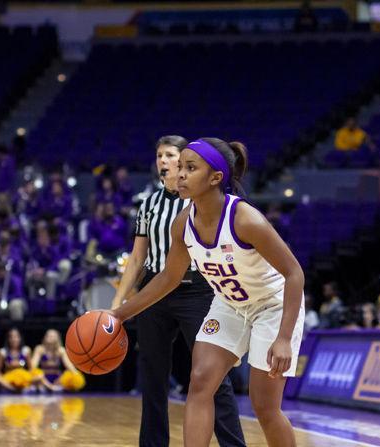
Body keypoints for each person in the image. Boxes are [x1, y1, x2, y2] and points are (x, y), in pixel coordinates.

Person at [109, 137, 305, 446]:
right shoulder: (183, 224)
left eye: (190, 167)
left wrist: (283, 338)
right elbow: (167, 278)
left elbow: (294, 274)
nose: (180, 174)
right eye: (180, 167)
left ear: (215, 178)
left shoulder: (245, 219)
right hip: (230, 304)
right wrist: (118, 314)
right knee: (200, 381)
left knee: (264, 407)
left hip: (272, 306)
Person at [110, 135, 245, 447]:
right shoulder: (149, 205)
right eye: (159, 155)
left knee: (212, 375)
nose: (162, 161)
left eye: (170, 155)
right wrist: (117, 305)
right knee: (153, 377)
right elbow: (137, 258)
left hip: (196, 290)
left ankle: (233, 444)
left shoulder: (198, 199)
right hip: (155, 290)